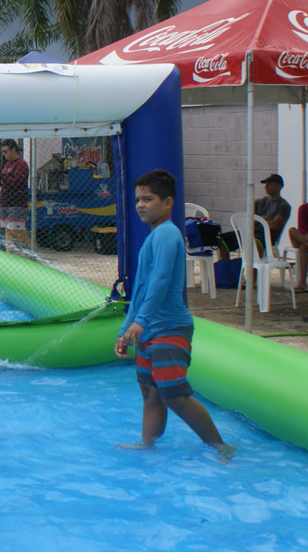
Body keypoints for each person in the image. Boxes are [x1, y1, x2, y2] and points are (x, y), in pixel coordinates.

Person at [114, 169, 231, 456]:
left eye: (148, 199)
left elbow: (162, 280)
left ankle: (220, 446)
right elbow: (141, 290)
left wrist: (140, 321)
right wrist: (126, 329)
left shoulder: (167, 233)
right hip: (148, 328)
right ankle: (148, 444)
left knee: (173, 392)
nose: (141, 205)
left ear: (168, 203)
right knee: (150, 391)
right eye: (138, 199)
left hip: (169, 328)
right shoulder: (154, 236)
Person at [0, 139, 29, 253]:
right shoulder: (6, 164)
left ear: (14, 150)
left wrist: (1, 175)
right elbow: (2, 182)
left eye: (6, 151)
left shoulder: (21, 164)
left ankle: (31, 248)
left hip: (17, 202)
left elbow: (17, 182)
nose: (4, 154)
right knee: (8, 230)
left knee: (15, 229)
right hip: (5, 201)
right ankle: (9, 251)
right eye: (2, 152)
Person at [255, 173, 291, 252]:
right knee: (225, 240)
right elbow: (250, 221)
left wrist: (258, 220)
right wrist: (266, 218)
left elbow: (275, 225)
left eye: (270, 184)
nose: (266, 186)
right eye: (265, 184)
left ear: (279, 186)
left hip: (266, 237)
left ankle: (256, 260)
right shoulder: (258, 202)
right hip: (251, 233)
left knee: (255, 244)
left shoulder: (283, 206)